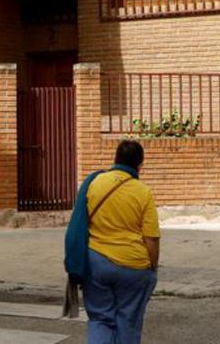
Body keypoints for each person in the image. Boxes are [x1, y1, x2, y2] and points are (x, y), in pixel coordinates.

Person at [74, 140, 160, 344]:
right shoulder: (142, 192)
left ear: (115, 159)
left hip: (97, 263)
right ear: (140, 165)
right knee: (128, 320)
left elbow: (81, 222)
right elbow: (151, 238)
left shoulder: (95, 183)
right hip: (134, 266)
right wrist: (153, 268)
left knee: (99, 319)